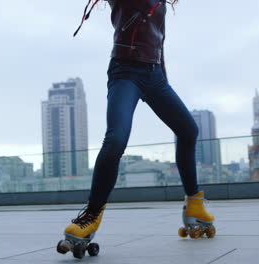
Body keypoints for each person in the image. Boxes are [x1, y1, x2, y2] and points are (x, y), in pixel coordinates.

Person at [60, 0, 216, 255]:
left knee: (188, 130)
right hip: (125, 73)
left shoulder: (162, 4)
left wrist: (163, 82)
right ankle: (90, 216)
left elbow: (159, 43)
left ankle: (195, 204)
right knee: (115, 141)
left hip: (155, 76)